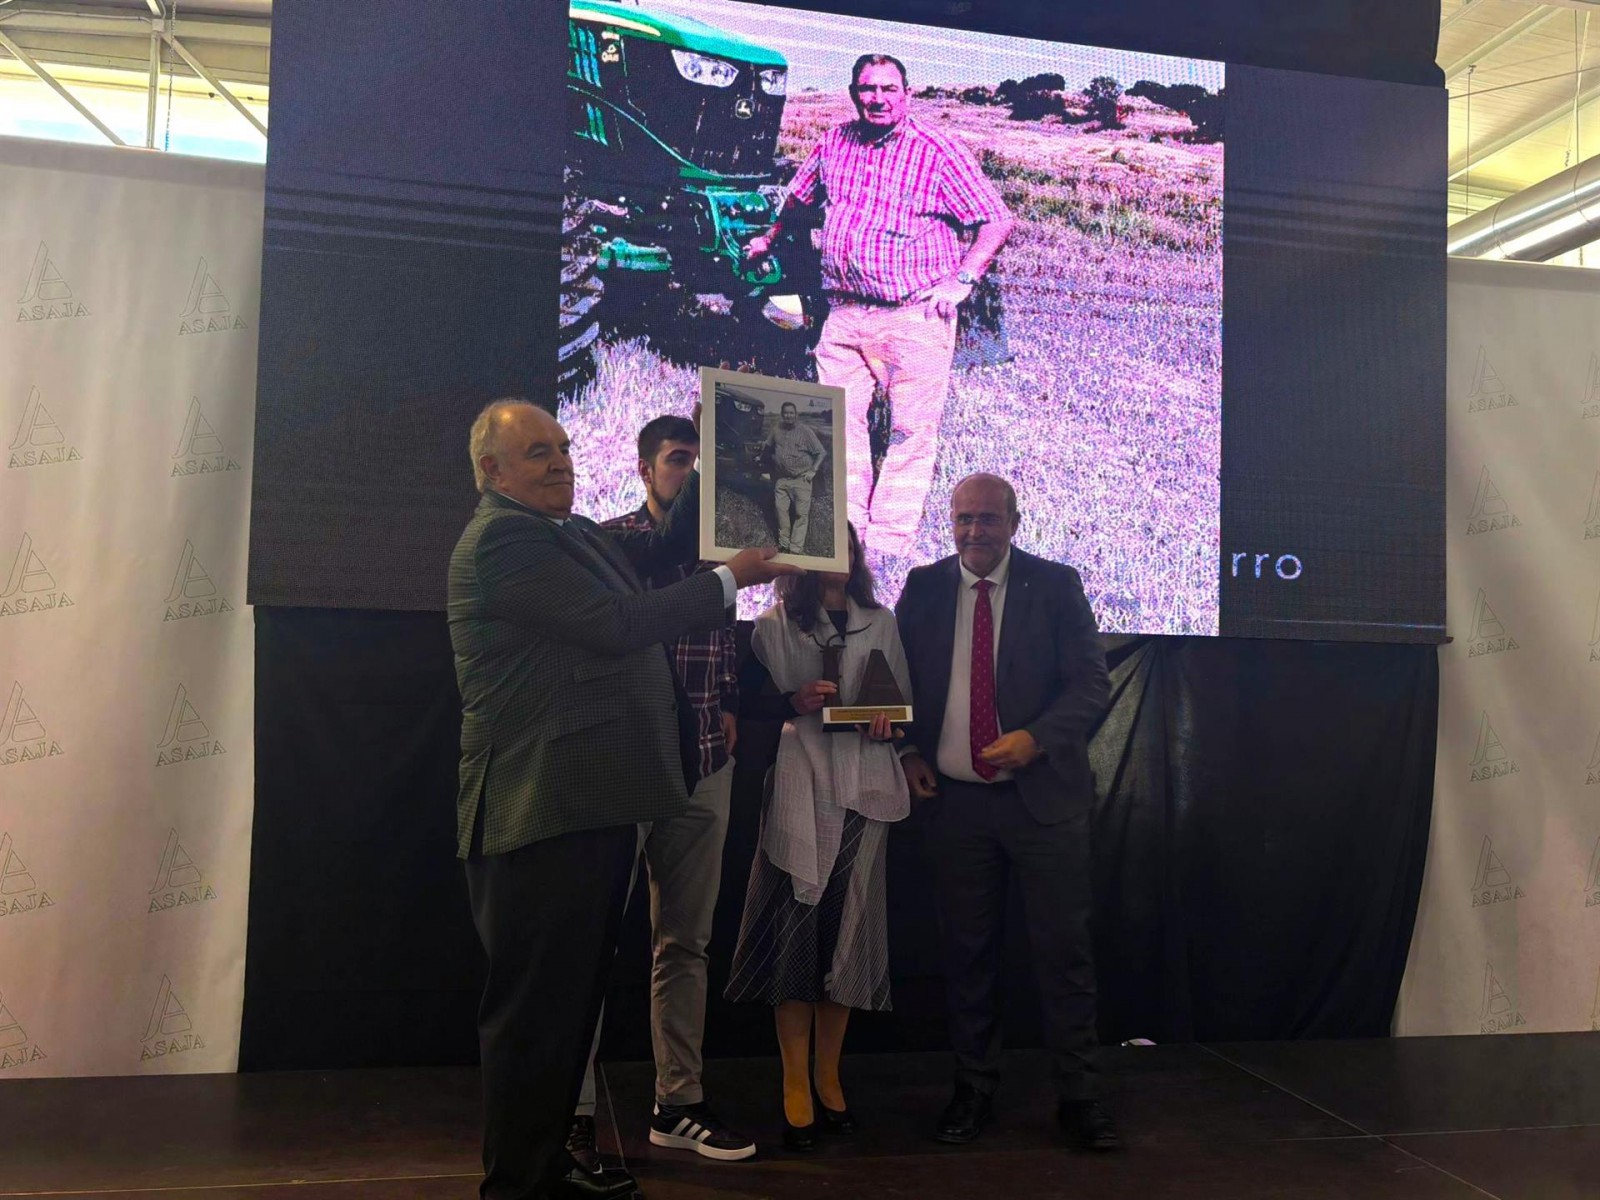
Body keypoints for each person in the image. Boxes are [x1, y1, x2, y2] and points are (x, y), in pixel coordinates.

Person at [449, 399, 796, 1200]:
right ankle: (517, 1185)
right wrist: (729, 580)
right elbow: (615, 623)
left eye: (564, 447)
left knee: (565, 1009)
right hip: (541, 810)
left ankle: (545, 1167)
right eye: (538, 452)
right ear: (492, 472)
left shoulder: (566, 533)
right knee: (536, 1018)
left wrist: (720, 445)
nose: (562, 462)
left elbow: (666, 544)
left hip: (584, 807)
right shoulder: (504, 539)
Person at [893, 474, 1119, 1152]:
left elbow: (1091, 685)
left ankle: (1080, 1096)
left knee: (1063, 955)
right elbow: (896, 682)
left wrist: (1038, 739)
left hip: (1043, 804)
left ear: (1014, 523)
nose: (974, 532)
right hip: (956, 808)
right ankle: (973, 1088)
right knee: (967, 957)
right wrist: (907, 749)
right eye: (963, 519)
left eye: (988, 519)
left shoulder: (1055, 586)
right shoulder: (923, 588)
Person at [560, 416, 754, 1170]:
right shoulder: (611, 545)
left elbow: (720, 647)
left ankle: (679, 1104)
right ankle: (572, 1111)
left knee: (686, 943)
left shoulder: (724, 554)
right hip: (622, 772)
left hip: (704, 768)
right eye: (679, 459)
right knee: (589, 944)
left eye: (701, 459)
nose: (692, 471)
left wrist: (729, 702)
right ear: (645, 470)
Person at [744, 53, 1014, 565]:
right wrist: (769, 239)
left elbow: (995, 220)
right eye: (868, 89)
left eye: (889, 89)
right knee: (837, 425)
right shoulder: (834, 142)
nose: (878, 99)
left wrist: (962, 280)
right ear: (853, 94)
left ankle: (888, 544)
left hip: (914, 314)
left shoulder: (937, 151)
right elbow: (798, 201)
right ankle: (849, 529)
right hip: (845, 313)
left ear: (906, 94)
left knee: (910, 432)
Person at [723, 523, 911, 1151]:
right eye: (828, 546)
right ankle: (793, 1081)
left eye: (848, 546)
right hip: (801, 787)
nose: (841, 556)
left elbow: (900, 706)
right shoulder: (774, 625)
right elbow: (751, 709)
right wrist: (794, 701)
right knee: (794, 937)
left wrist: (888, 724)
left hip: (865, 788)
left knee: (847, 936)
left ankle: (829, 1076)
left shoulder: (880, 622)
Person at [761, 401, 826, 554]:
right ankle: (784, 544)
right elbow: (767, 446)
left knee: (800, 515)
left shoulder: (805, 431)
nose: (788, 416)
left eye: (791, 413)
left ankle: (796, 548)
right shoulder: (776, 430)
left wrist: (813, 471)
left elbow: (821, 452)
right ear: (782, 414)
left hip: (801, 479)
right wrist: (764, 461)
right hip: (781, 479)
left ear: (796, 415)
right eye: (786, 413)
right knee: (781, 512)